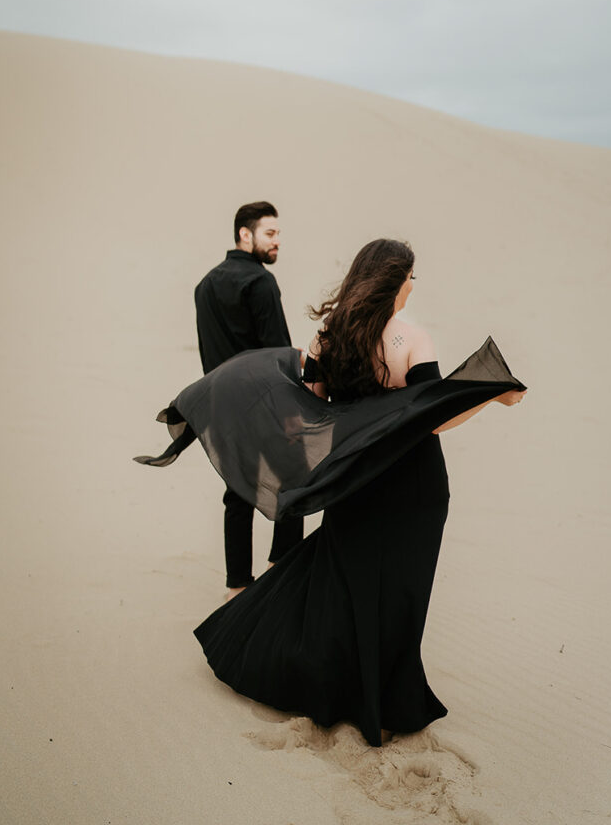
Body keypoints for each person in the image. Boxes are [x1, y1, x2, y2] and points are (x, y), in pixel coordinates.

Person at [187, 239, 527, 746]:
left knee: (350, 582)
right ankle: (386, 697)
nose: (414, 286)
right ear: (395, 282)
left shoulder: (329, 335)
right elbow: (432, 421)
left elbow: (312, 408)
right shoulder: (412, 340)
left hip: (356, 482)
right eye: (412, 277)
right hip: (415, 486)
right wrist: (493, 396)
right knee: (402, 591)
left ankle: (336, 686)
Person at [194, 201, 303, 600]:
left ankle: (237, 587)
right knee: (294, 485)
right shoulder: (260, 283)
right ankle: (281, 575)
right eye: (270, 234)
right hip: (265, 407)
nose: (278, 242)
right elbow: (278, 354)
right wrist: (293, 416)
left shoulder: (205, 285)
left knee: (237, 494)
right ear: (245, 234)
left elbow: (210, 355)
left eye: (278, 235)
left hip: (222, 408)